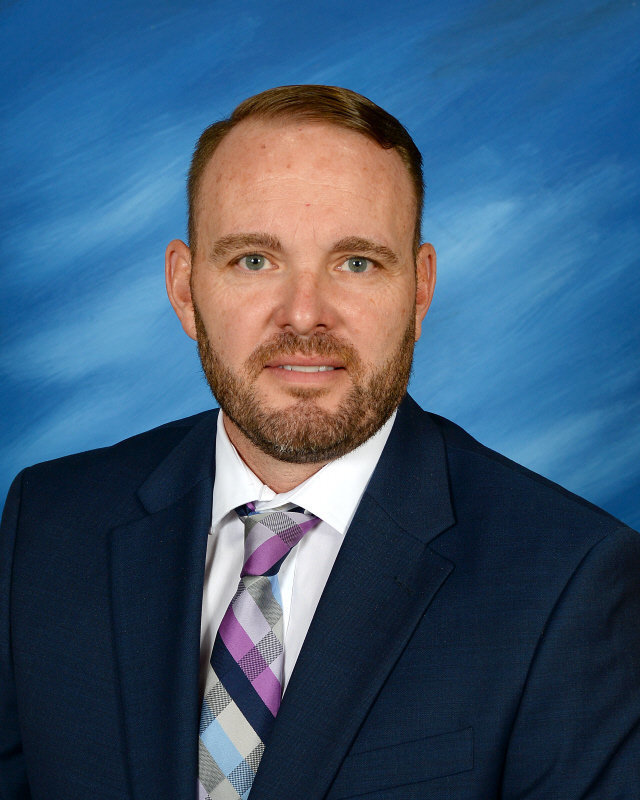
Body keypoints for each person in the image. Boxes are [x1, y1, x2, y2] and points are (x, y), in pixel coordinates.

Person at [1, 85, 639, 800]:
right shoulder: (47, 524)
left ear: (419, 291)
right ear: (185, 289)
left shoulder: (571, 580)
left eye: (356, 263)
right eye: (253, 260)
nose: (305, 314)